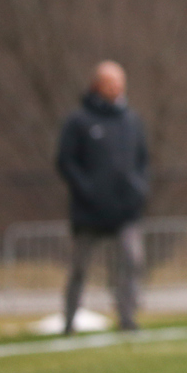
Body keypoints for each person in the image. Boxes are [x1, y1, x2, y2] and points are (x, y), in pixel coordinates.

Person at [56, 60, 148, 335]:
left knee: (132, 260)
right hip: (90, 211)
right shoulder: (79, 121)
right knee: (79, 268)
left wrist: (139, 189)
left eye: (119, 82)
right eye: (110, 83)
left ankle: (127, 318)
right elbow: (65, 161)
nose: (115, 88)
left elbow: (143, 161)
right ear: (97, 85)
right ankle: (69, 321)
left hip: (125, 210)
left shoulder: (131, 120)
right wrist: (88, 191)